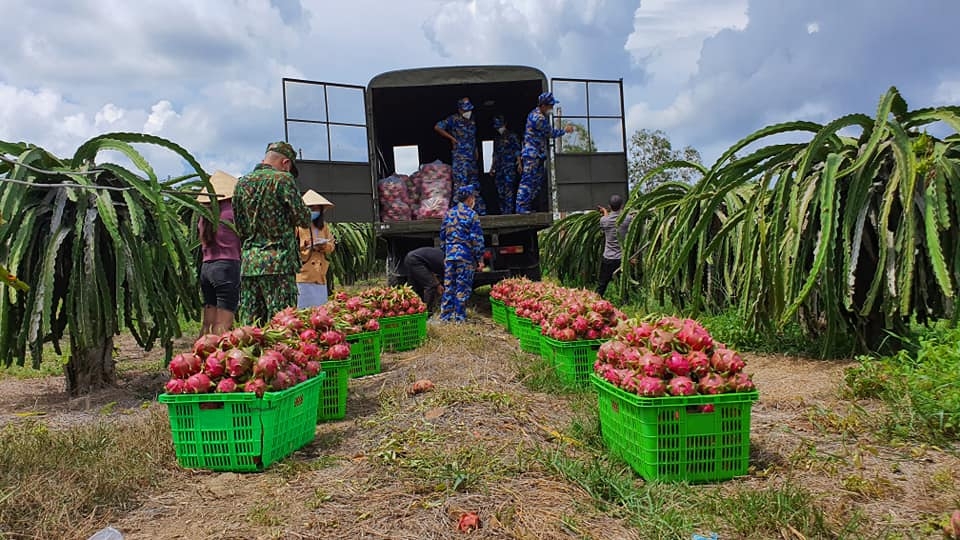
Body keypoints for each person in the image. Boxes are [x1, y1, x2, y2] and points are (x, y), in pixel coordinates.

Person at [233, 141, 311, 324]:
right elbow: (304, 219)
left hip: (250, 263)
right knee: (281, 322)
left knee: (250, 325)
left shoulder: (241, 183)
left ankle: (249, 353)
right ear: (286, 163)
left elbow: (241, 226)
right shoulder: (283, 180)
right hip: (279, 263)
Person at [197, 171, 242, 335]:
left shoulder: (204, 216)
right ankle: (215, 358)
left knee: (208, 322)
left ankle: (200, 355)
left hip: (206, 268)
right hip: (227, 267)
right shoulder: (232, 211)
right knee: (223, 323)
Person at [516, 92, 574, 214]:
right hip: (532, 154)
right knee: (528, 181)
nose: (551, 109)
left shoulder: (537, 115)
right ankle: (521, 207)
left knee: (535, 182)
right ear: (543, 105)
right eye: (550, 106)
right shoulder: (538, 118)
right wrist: (565, 130)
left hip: (537, 154)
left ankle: (525, 206)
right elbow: (550, 133)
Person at [439, 186, 485, 323]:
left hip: (450, 256)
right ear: (470, 198)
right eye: (474, 197)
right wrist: (480, 259)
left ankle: (445, 317)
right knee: (462, 288)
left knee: (449, 286)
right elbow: (476, 239)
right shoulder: (472, 215)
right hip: (465, 257)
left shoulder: (448, 214)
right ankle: (459, 318)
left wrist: (445, 253)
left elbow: (442, 236)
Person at [435, 97, 486, 215]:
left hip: (472, 158)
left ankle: (479, 212)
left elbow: (473, 135)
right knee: (461, 185)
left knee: (474, 185)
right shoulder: (453, 119)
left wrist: (476, 149)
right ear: (459, 110)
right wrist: (452, 138)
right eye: (465, 110)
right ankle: (458, 214)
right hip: (460, 158)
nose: (468, 112)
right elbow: (438, 127)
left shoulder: (472, 119)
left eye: (469, 109)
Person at [296, 190, 336, 308]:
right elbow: (293, 246)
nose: (313, 211)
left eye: (316, 209)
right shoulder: (298, 226)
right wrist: (307, 244)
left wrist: (323, 246)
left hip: (319, 273)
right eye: (310, 208)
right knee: (303, 308)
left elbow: (331, 245)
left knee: (319, 309)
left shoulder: (324, 227)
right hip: (303, 273)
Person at [597, 194, 635, 298]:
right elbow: (632, 219)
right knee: (624, 284)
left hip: (608, 258)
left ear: (609, 206)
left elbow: (605, 220)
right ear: (622, 205)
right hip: (622, 259)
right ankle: (626, 302)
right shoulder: (628, 219)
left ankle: (597, 300)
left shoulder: (604, 221)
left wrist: (604, 212)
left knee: (602, 284)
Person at [489, 115, 521, 215]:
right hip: (499, 168)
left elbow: (517, 150)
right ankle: (503, 211)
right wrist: (492, 167)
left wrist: (519, 163)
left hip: (509, 167)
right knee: (500, 191)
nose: (498, 128)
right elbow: (495, 154)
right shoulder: (497, 138)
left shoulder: (512, 136)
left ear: (505, 124)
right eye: (497, 126)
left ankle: (508, 212)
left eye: (500, 125)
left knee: (509, 190)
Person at [402, 246, 445, 314]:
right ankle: (426, 312)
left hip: (410, 258)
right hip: (415, 260)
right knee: (431, 286)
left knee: (414, 289)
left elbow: (430, 272)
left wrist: (438, 284)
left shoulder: (442, 257)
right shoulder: (447, 263)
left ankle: (413, 311)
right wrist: (437, 284)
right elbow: (435, 282)